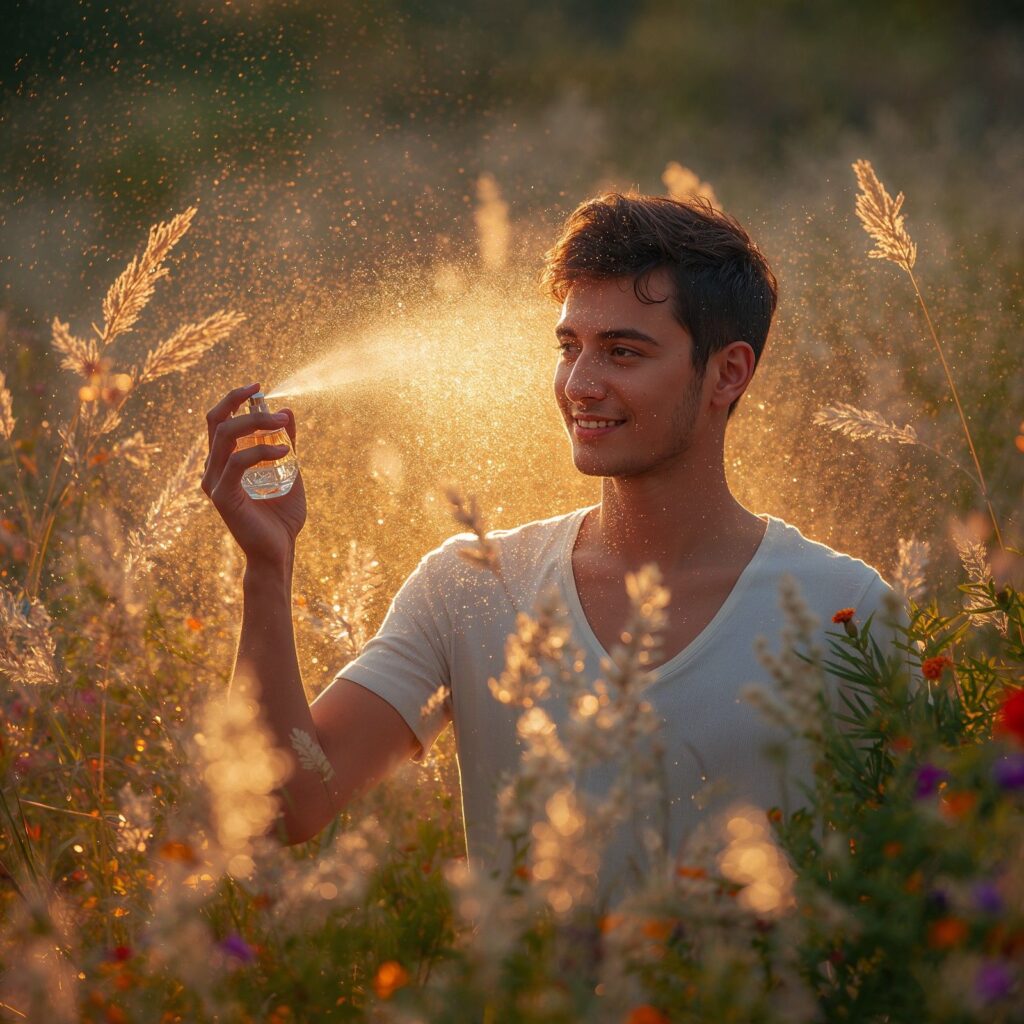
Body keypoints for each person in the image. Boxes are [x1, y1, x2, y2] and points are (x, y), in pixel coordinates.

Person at [201, 192, 892, 903]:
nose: (580, 385)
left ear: (729, 373)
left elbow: (925, 881)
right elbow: (288, 807)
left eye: (623, 351)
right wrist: (267, 564)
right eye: (569, 348)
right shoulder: (468, 587)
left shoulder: (846, 610)